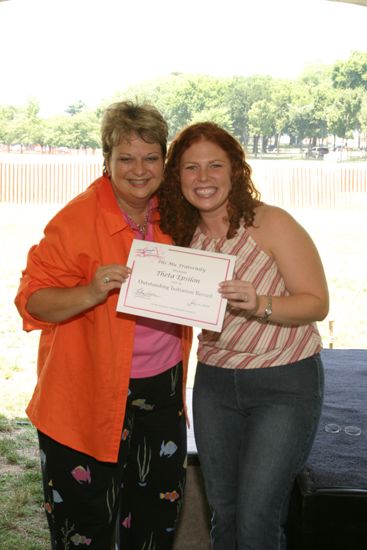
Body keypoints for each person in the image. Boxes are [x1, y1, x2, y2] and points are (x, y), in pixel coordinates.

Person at [15, 100, 192, 550]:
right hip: (84, 393)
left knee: (154, 520)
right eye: (125, 158)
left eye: (151, 157)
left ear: (164, 161)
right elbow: (31, 302)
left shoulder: (174, 212)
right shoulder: (76, 221)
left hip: (161, 390)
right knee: (83, 528)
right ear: (106, 160)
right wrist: (90, 292)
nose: (139, 169)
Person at [158, 122, 329, 550]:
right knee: (225, 512)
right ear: (176, 176)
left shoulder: (271, 223)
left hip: (284, 383)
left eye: (215, 165)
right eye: (190, 167)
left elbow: (316, 303)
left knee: (257, 518)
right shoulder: (181, 237)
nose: (203, 178)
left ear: (235, 170)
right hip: (215, 384)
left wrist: (260, 304)